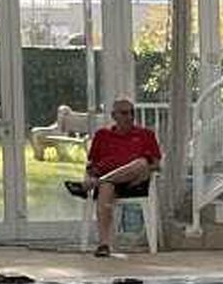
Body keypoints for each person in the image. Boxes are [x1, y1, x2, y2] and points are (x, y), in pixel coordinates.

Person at [65, 98, 161, 257]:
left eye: (131, 113)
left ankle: (91, 185)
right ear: (113, 116)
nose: (129, 117)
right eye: (124, 113)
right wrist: (91, 176)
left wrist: (142, 168)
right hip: (108, 181)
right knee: (105, 187)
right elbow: (91, 164)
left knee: (141, 163)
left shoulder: (146, 135)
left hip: (135, 181)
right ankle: (104, 244)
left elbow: (156, 164)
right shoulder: (102, 135)